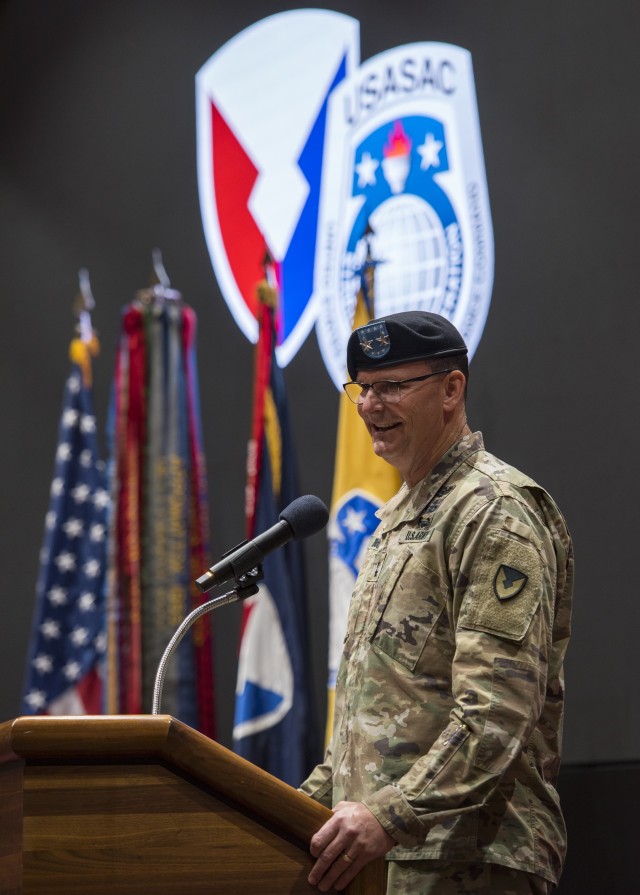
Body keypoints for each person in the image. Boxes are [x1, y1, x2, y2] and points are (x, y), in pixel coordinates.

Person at [300, 311, 573, 895]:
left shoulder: (493, 512)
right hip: (384, 864)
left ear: (452, 389)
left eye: (394, 386)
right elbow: (367, 724)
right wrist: (294, 812)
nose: (372, 406)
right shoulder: (396, 523)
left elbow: (494, 714)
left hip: (469, 860)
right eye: (363, 389)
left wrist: (390, 815)